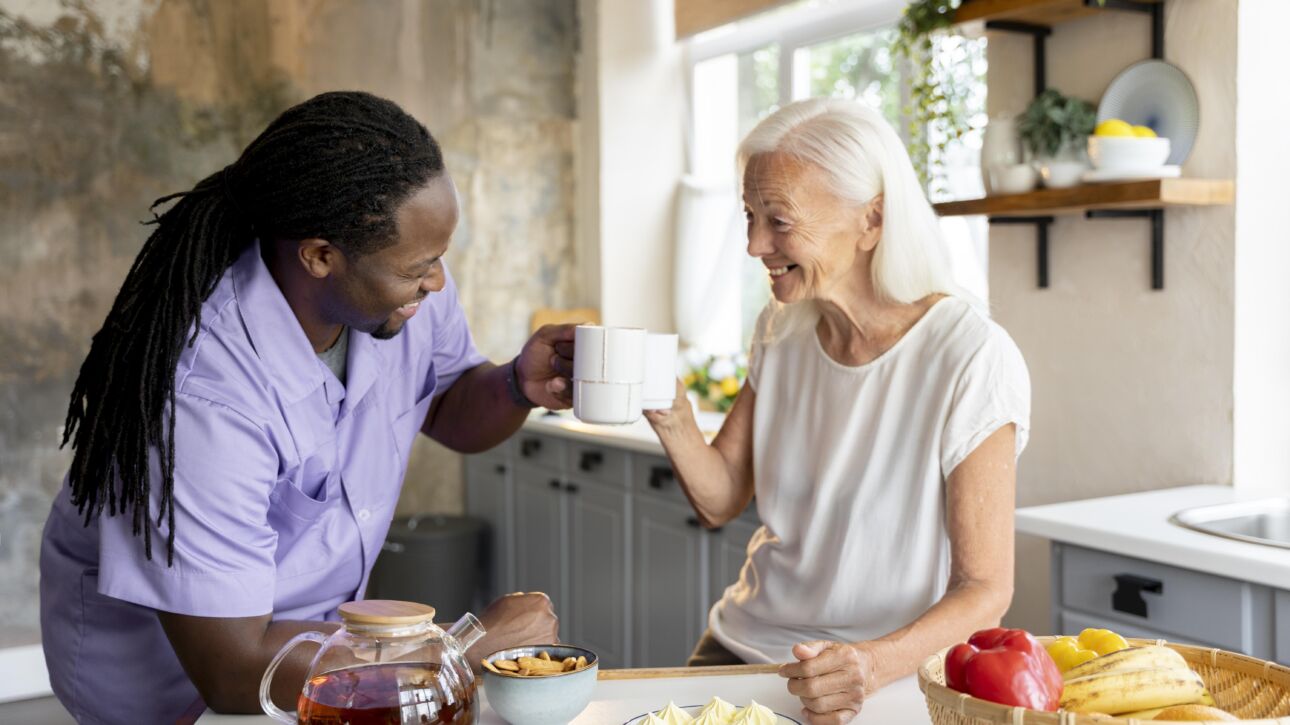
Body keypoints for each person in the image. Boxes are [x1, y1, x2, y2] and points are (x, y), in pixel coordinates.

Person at [39, 91, 573, 723]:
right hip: (171, 680)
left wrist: (516, 385)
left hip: (321, 664)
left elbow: (449, 403)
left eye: (438, 261)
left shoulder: (401, 287)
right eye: (418, 269)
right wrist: (461, 649)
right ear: (320, 256)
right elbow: (234, 671)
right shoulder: (204, 395)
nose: (435, 283)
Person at [644, 97, 1030, 725]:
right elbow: (719, 499)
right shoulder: (781, 327)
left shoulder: (970, 355)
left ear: (872, 220)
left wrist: (868, 665)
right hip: (741, 647)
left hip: (881, 678)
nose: (753, 245)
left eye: (779, 221)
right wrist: (670, 412)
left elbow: (986, 589)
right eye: (749, 216)